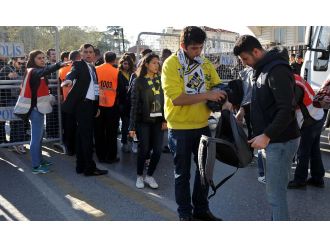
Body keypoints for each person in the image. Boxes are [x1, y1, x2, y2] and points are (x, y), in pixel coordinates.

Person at [233, 35, 300, 220]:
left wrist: (267, 135)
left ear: (256, 51)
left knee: (276, 196)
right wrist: (244, 110)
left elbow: (286, 109)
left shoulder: (276, 70)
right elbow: (265, 100)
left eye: (246, 59)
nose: (245, 64)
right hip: (271, 141)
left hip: (280, 141)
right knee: (276, 193)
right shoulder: (261, 69)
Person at [162, 26, 226, 220]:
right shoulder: (171, 64)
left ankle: (201, 210)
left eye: (201, 47)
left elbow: (217, 86)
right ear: (183, 46)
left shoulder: (204, 63)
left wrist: (227, 100)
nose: (198, 52)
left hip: (202, 126)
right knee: (182, 175)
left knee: (204, 173)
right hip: (180, 128)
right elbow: (177, 99)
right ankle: (185, 214)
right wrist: (208, 94)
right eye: (194, 48)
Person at [62, 43, 108, 176]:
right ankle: (89, 168)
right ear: (81, 54)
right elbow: (72, 73)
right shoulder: (79, 65)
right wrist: (69, 81)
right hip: (82, 106)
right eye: (85, 52)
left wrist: (96, 106)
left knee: (81, 137)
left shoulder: (92, 68)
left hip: (90, 105)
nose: (88, 54)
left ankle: (80, 165)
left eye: (90, 52)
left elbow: (94, 88)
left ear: (94, 54)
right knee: (86, 138)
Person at [20, 50, 69, 173]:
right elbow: (45, 70)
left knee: (39, 137)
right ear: (32, 60)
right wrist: (58, 65)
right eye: (39, 58)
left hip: (39, 108)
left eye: (43, 58)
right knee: (36, 138)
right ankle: (36, 166)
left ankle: (40, 160)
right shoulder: (33, 71)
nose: (42, 60)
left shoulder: (36, 72)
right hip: (35, 109)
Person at [129, 53, 166, 189]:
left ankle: (149, 176)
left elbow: (166, 102)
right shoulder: (138, 81)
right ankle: (139, 176)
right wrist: (131, 127)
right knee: (144, 150)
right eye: (154, 63)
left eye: (158, 63)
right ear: (146, 64)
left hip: (158, 120)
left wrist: (165, 119)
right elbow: (134, 104)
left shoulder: (161, 80)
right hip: (143, 121)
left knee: (157, 150)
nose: (157, 65)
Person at [288, 74, 325, 189]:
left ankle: (300, 180)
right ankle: (317, 178)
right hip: (317, 115)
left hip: (310, 119)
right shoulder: (295, 77)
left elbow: (290, 106)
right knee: (314, 149)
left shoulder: (295, 85)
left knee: (303, 151)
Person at [94, 51, 122, 164]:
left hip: (98, 105)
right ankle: (111, 156)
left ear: (104, 58)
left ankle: (100, 156)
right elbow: (120, 90)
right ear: (114, 60)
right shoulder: (116, 72)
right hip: (112, 106)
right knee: (111, 133)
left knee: (99, 132)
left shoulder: (96, 69)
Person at [0, 57, 29, 153]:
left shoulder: (20, 70)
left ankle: (16, 143)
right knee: (15, 122)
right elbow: (6, 78)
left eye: (22, 63)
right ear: (14, 61)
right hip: (9, 99)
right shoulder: (7, 68)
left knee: (19, 122)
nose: (21, 65)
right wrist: (10, 76)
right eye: (19, 63)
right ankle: (15, 143)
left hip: (18, 99)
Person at [59, 50, 81, 156]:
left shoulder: (62, 70)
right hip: (76, 101)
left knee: (68, 126)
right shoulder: (77, 68)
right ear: (79, 58)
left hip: (66, 100)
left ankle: (69, 148)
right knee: (76, 126)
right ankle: (76, 147)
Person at [118, 54, 135, 153]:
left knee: (129, 124)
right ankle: (124, 143)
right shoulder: (118, 73)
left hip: (131, 103)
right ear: (121, 63)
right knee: (125, 124)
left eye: (128, 64)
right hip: (121, 102)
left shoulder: (133, 74)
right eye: (125, 63)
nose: (126, 65)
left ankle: (131, 142)